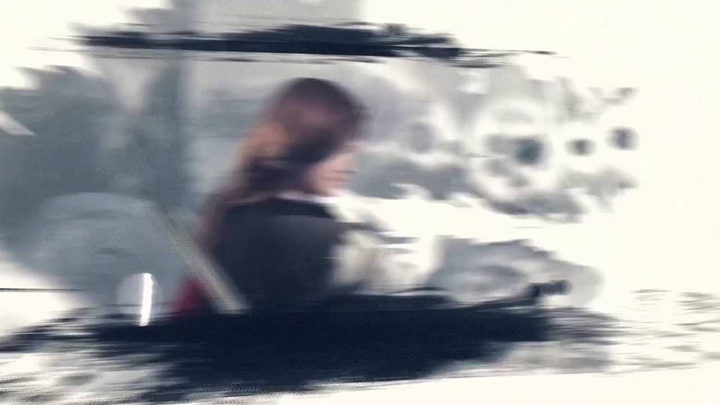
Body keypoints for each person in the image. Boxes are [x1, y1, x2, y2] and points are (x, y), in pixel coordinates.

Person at [171, 78, 438, 316]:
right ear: (310, 147)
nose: (351, 166)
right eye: (343, 150)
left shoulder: (231, 210)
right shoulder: (329, 243)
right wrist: (428, 251)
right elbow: (399, 287)